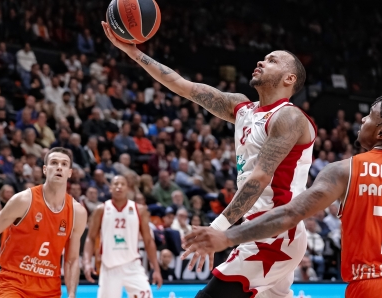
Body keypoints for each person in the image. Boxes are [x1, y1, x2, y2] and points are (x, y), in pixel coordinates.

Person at [182, 96, 382, 298]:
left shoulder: (343, 171)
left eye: (370, 117)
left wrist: (228, 237)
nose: (363, 120)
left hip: (367, 286)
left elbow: (289, 215)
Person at [102, 20, 316, 298]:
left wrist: (216, 231)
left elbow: (260, 179)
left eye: (272, 60)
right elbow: (182, 85)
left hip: (276, 233)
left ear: (289, 79)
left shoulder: (288, 117)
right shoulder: (241, 108)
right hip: (258, 228)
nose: (261, 62)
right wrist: (133, 52)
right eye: (263, 58)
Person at [0, 147, 87, 298]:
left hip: (49, 287)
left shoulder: (78, 212)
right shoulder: (23, 200)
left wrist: (71, 294)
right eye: (54, 163)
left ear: (69, 173)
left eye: (64, 164)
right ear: (45, 169)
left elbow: (71, 260)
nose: (59, 167)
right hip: (13, 282)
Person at [83, 175, 163, 298]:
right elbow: (90, 238)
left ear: (128, 188)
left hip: (132, 265)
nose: (119, 187)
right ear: (110, 188)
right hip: (109, 267)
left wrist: (156, 269)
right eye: (115, 184)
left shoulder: (139, 210)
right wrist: (87, 262)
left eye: (122, 184)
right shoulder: (101, 209)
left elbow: (148, 241)